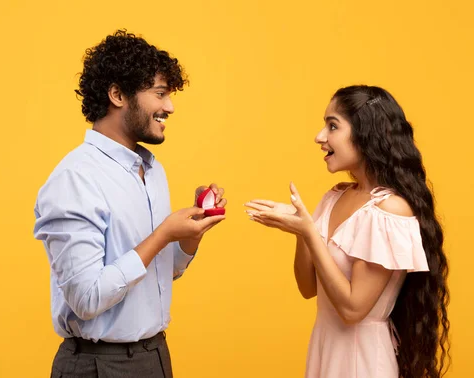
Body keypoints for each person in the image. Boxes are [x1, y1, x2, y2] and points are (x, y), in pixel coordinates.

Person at [33, 29, 226, 378]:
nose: (169, 106)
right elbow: (87, 299)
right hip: (97, 365)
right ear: (118, 94)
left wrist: (190, 234)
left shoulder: (151, 171)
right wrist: (163, 234)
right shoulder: (76, 178)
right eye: (160, 94)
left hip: (154, 356)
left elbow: (158, 272)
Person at [245, 85, 450, 378]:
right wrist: (301, 231)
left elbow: (353, 310)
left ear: (366, 134)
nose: (319, 136)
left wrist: (309, 232)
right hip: (325, 349)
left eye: (332, 126)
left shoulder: (390, 211)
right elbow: (308, 288)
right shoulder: (334, 197)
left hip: (362, 361)